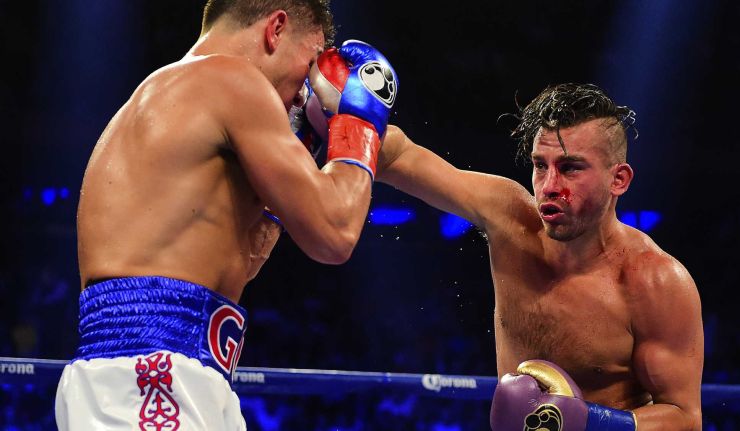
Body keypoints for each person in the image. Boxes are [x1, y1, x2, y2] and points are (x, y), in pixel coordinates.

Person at [55, 0, 398, 429]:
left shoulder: (172, 95)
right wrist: (358, 123)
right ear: (275, 29)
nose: (306, 88)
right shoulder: (232, 81)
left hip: (161, 374)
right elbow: (335, 232)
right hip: (151, 376)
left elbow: (243, 262)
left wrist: (304, 149)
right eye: (310, 61)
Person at [377, 83, 703, 430]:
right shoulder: (508, 220)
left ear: (618, 179)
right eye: (539, 165)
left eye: (570, 168)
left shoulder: (655, 281)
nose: (549, 185)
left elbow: (685, 418)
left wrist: (592, 423)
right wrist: (337, 117)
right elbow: (399, 156)